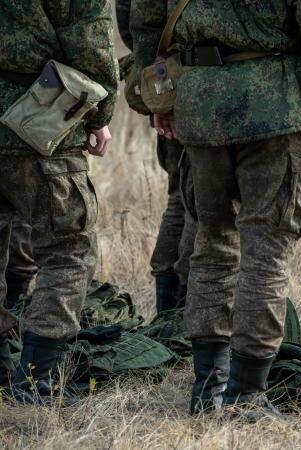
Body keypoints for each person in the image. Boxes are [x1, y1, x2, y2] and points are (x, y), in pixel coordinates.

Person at [131, 0, 301, 420]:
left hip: (200, 105)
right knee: (266, 253)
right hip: (276, 112)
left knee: (211, 245)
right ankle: (246, 394)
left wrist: (158, 99)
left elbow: (145, 18)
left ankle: (208, 390)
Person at [0, 0, 118, 400]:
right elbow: (91, 44)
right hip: (40, 117)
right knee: (69, 246)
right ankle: (37, 378)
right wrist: (100, 115)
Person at [116, 0, 194, 313]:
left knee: (181, 196)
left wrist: (159, 95)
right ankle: (182, 312)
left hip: (168, 80)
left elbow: (136, 25)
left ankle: (168, 312)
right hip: (204, 86)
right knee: (201, 206)